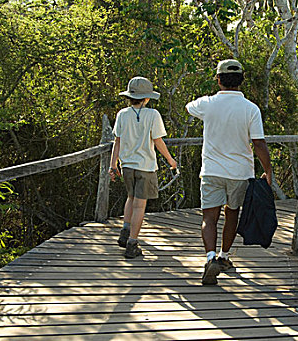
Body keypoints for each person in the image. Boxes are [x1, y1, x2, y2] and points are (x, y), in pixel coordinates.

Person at [186, 59, 273, 285]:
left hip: (211, 170)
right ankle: (224, 256)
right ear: (242, 80)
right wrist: (268, 172)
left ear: (218, 79)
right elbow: (259, 144)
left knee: (209, 217)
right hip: (240, 173)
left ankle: (209, 258)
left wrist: (212, 101)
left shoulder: (208, 104)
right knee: (231, 213)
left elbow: (189, 106)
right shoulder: (251, 109)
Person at [109, 76, 177, 259]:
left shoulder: (122, 114)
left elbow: (117, 141)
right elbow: (158, 141)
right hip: (145, 166)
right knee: (140, 205)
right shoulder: (152, 115)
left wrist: (112, 164)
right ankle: (132, 244)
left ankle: (125, 232)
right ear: (147, 97)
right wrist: (171, 160)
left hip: (127, 166)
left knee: (130, 198)